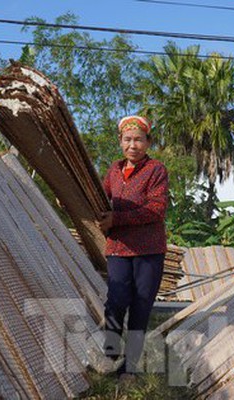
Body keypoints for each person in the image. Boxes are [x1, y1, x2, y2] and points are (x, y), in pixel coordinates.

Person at [97, 115, 169, 381]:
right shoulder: (114, 171)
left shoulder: (156, 170)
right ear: (120, 142)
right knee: (115, 301)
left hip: (148, 250)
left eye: (139, 140)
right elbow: (98, 198)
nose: (133, 145)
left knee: (141, 307)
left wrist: (118, 218)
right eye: (127, 140)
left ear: (148, 142)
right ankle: (111, 353)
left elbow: (156, 208)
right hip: (118, 246)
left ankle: (131, 365)